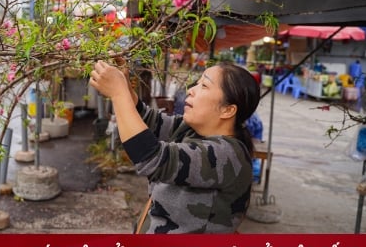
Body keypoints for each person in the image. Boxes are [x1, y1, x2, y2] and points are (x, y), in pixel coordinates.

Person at [89, 60, 260, 233]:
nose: (191, 90)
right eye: (198, 83)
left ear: (227, 110)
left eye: (205, 86)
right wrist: (124, 87)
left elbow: (151, 158)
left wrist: (119, 94)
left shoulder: (227, 154)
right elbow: (149, 121)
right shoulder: (191, 130)